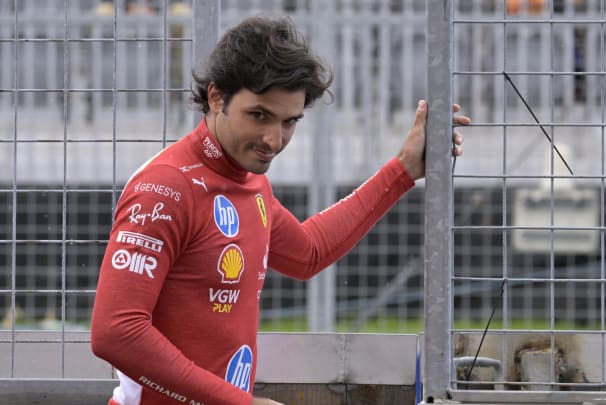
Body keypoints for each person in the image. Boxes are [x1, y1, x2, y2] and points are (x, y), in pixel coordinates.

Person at [91, 15, 469, 405]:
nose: (274, 140)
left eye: (290, 122)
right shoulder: (166, 188)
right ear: (217, 97)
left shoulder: (247, 178)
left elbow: (308, 253)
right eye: (259, 116)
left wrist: (403, 170)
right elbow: (115, 332)